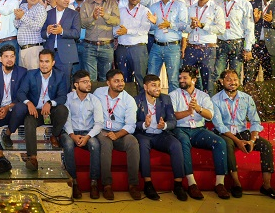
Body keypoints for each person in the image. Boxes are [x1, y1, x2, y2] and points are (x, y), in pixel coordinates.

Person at [212, 69, 275, 199]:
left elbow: (255, 121)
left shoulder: (246, 98)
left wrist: (252, 140)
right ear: (221, 82)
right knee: (227, 144)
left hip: (243, 132)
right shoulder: (215, 100)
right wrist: (238, 142)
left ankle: (266, 186)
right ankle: (236, 184)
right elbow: (219, 126)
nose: (232, 82)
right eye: (228, 80)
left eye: (235, 79)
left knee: (266, 145)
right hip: (225, 133)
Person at [170, 65, 230, 199]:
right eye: (180, 78)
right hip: (181, 129)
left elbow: (210, 116)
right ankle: (192, 184)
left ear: (193, 80)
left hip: (199, 131)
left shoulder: (203, 96)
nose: (181, 80)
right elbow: (172, 116)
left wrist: (198, 108)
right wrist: (188, 112)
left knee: (220, 142)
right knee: (183, 142)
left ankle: (220, 184)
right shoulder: (173, 95)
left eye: (185, 78)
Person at [13, 49, 69, 170]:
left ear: (53, 63)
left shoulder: (60, 76)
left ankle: (54, 135)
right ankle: (32, 157)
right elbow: (21, 92)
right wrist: (28, 103)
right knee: (29, 121)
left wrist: (50, 103)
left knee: (63, 110)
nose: (43, 64)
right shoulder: (31, 74)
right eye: (41, 61)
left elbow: (62, 97)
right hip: (36, 111)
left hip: (51, 111)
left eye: (47, 61)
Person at [134, 74, 187, 201]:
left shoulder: (165, 99)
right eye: (153, 85)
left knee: (176, 145)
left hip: (161, 134)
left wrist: (165, 125)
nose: (157, 88)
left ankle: (178, 185)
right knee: (143, 145)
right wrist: (143, 124)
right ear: (145, 87)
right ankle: (148, 184)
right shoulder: (136, 100)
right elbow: (132, 123)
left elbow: (173, 121)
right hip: (144, 134)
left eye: (158, 85)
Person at [93, 69, 141, 200]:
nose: (121, 83)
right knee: (106, 143)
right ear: (108, 83)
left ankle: (133, 184)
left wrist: (117, 135)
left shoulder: (129, 100)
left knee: (133, 142)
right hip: (102, 130)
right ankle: (107, 185)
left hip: (121, 132)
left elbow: (131, 125)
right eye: (116, 81)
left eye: (122, 80)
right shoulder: (98, 93)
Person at [0, 44, 28, 174]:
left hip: (14, 110)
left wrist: (8, 107)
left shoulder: (23, 72)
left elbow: (23, 95)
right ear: (0, 59)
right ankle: (1, 158)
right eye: (6, 57)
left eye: (12, 56)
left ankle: (7, 133)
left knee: (20, 107)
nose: (9, 60)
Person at [58, 70, 103, 199]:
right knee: (68, 144)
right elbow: (66, 120)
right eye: (85, 82)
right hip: (70, 132)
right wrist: (72, 135)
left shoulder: (94, 100)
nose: (89, 84)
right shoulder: (68, 98)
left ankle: (94, 183)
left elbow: (99, 123)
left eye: (89, 81)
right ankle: (74, 182)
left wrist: (88, 136)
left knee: (95, 145)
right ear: (76, 85)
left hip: (88, 132)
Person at [183, 0, 225, 94]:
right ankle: (189, 103)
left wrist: (203, 25)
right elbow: (184, 28)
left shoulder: (216, 9)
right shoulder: (190, 8)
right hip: (191, 48)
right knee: (187, 80)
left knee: (208, 82)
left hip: (208, 49)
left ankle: (208, 104)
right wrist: (191, 26)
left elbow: (221, 29)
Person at [147, 0, 188, 93]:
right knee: (151, 78)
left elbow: (185, 25)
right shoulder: (153, 7)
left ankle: (172, 103)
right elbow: (150, 28)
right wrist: (153, 23)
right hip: (156, 47)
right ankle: (152, 102)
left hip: (173, 47)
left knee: (173, 80)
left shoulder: (180, 5)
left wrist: (170, 25)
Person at [114, 0, 154, 92]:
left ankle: (142, 101)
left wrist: (127, 31)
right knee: (123, 79)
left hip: (138, 48)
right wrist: (117, 32)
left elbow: (144, 30)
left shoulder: (145, 11)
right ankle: (126, 100)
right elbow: (116, 28)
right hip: (122, 48)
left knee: (140, 77)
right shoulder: (120, 10)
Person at [215, 0, 255, 82]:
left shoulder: (245, 4)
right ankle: (218, 93)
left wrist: (248, 48)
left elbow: (249, 27)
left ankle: (235, 93)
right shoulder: (216, 3)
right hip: (220, 43)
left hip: (237, 44)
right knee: (218, 75)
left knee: (235, 76)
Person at [80, 0, 120, 81]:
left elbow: (117, 21)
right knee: (90, 79)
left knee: (106, 78)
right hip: (89, 46)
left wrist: (105, 16)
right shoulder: (85, 4)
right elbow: (82, 24)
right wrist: (92, 18)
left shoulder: (112, 3)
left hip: (107, 46)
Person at [41, 0, 81, 87]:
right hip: (50, 53)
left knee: (65, 83)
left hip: (66, 54)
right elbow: (42, 34)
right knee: (49, 82)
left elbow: (77, 33)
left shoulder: (74, 14)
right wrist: (47, 32)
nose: (67, 0)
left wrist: (62, 31)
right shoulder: (48, 13)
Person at [14, 0, 46, 70]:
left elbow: (37, 27)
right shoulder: (22, 6)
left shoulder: (41, 9)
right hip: (22, 49)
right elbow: (17, 25)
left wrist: (22, 16)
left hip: (34, 49)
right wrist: (17, 18)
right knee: (23, 76)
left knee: (33, 75)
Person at [70, 0, 88, 74]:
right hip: (73, 43)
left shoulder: (90, 6)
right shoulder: (69, 7)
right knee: (75, 72)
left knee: (87, 72)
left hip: (87, 44)